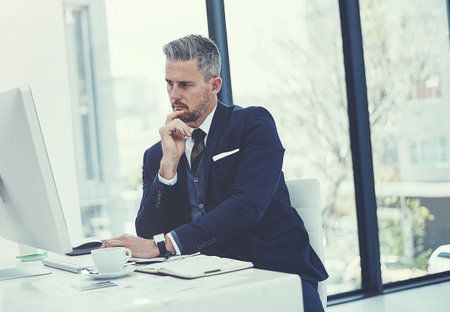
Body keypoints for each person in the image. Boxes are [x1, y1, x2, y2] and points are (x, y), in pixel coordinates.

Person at [103, 34, 328, 312]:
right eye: (169, 84)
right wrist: (168, 166)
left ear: (214, 85)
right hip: (199, 282)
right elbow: (148, 232)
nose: (174, 95)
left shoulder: (252, 124)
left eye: (185, 84)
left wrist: (166, 245)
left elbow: (246, 207)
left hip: (273, 273)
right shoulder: (156, 155)